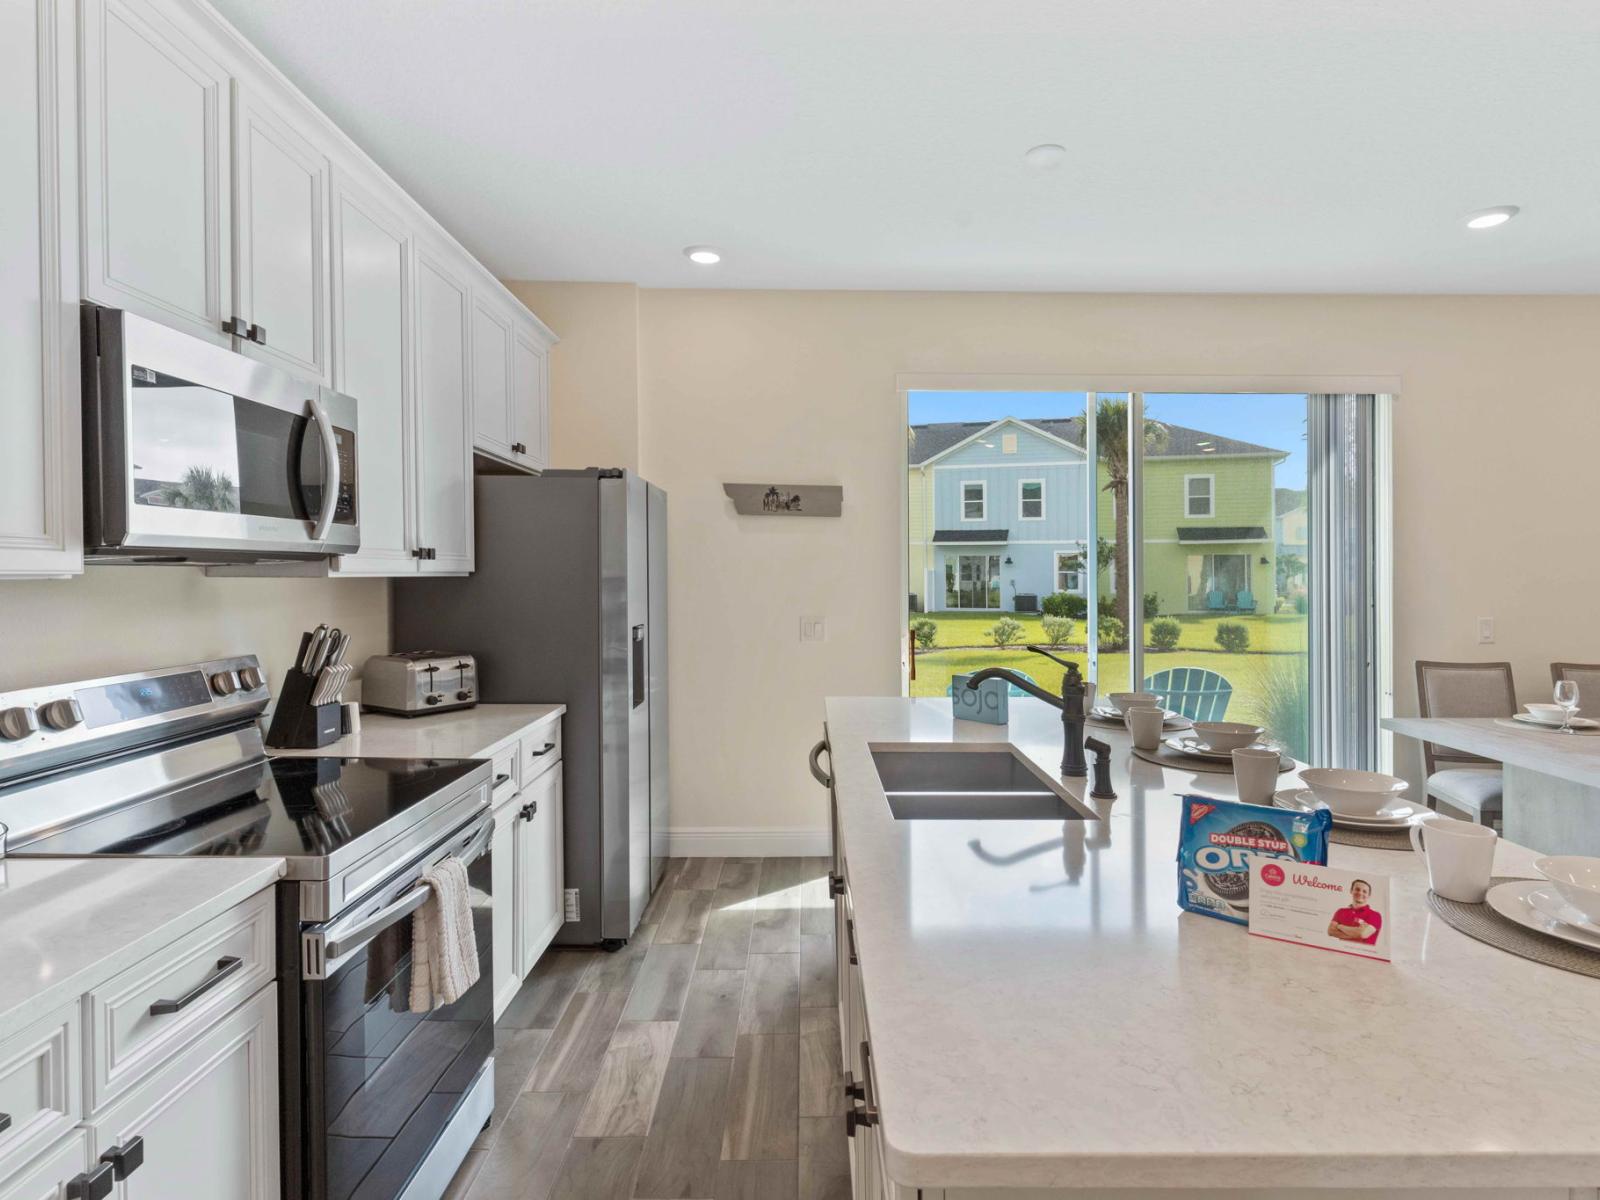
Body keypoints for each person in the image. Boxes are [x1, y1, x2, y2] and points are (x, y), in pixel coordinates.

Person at [1327, 878, 1383, 946]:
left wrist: (1339, 926)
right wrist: (1356, 933)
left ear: (1369, 895)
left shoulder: (1375, 915)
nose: (1360, 893)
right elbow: (1330, 931)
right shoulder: (1340, 911)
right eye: (1357, 889)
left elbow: (1362, 934)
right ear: (1351, 891)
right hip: (1341, 951)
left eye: (1364, 891)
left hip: (1364, 954)